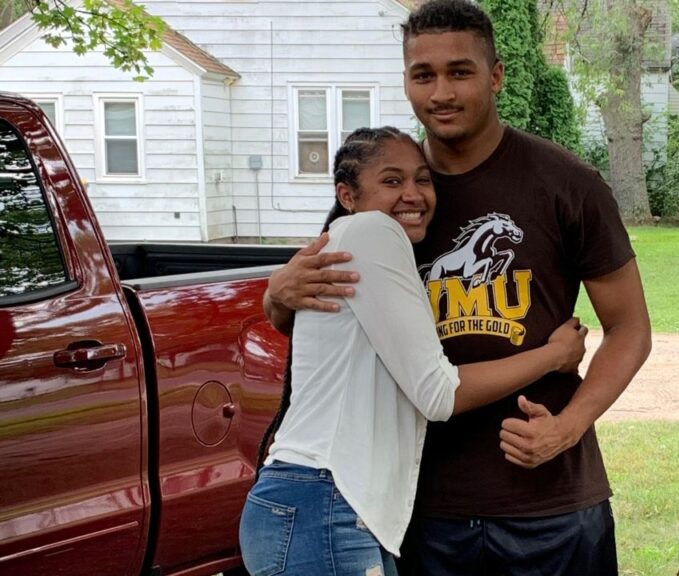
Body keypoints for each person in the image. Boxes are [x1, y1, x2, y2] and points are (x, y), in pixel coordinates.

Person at [264, 1, 652, 573]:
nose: (441, 92)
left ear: (495, 75)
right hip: (418, 509)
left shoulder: (568, 184)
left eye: (460, 71)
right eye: (424, 75)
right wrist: (277, 292)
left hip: (550, 502)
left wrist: (569, 427)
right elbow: (312, 310)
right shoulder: (384, 197)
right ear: (407, 82)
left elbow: (630, 328)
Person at [240, 127, 589, 576]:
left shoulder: (354, 242)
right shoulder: (373, 232)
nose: (413, 193)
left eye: (422, 180)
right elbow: (439, 394)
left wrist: (274, 298)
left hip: (324, 506)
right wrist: (553, 355)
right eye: (391, 181)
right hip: (327, 503)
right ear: (347, 195)